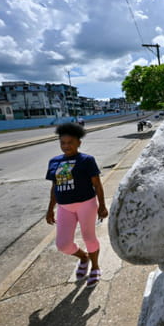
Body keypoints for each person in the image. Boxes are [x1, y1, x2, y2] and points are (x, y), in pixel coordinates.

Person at [45, 123, 108, 288]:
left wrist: (102, 205)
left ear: (79, 142)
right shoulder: (54, 162)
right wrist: (50, 208)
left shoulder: (86, 160)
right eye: (63, 143)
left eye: (70, 142)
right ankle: (83, 258)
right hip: (64, 207)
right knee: (63, 245)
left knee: (89, 237)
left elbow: (97, 184)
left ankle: (95, 266)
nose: (66, 146)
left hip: (86, 204)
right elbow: (55, 186)